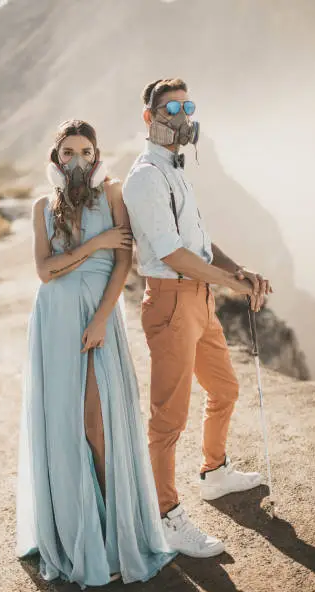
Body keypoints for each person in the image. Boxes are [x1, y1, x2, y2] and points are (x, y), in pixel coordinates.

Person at [16, 119, 176, 588]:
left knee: (99, 424)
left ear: (96, 155)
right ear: (56, 159)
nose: (78, 161)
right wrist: (96, 244)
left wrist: (103, 318)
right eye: (69, 153)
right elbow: (45, 272)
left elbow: (123, 259)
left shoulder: (112, 194)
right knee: (67, 425)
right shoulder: (42, 206)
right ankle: (75, 533)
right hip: (54, 318)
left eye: (86, 152)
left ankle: (115, 535)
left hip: (98, 314)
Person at [122, 79, 273, 558]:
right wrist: (232, 285)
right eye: (172, 108)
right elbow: (171, 253)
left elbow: (199, 242)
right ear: (149, 118)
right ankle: (165, 516)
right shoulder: (145, 175)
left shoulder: (176, 169)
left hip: (200, 298)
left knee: (224, 388)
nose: (183, 116)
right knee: (168, 418)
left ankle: (214, 473)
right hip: (170, 301)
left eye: (188, 106)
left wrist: (236, 270)